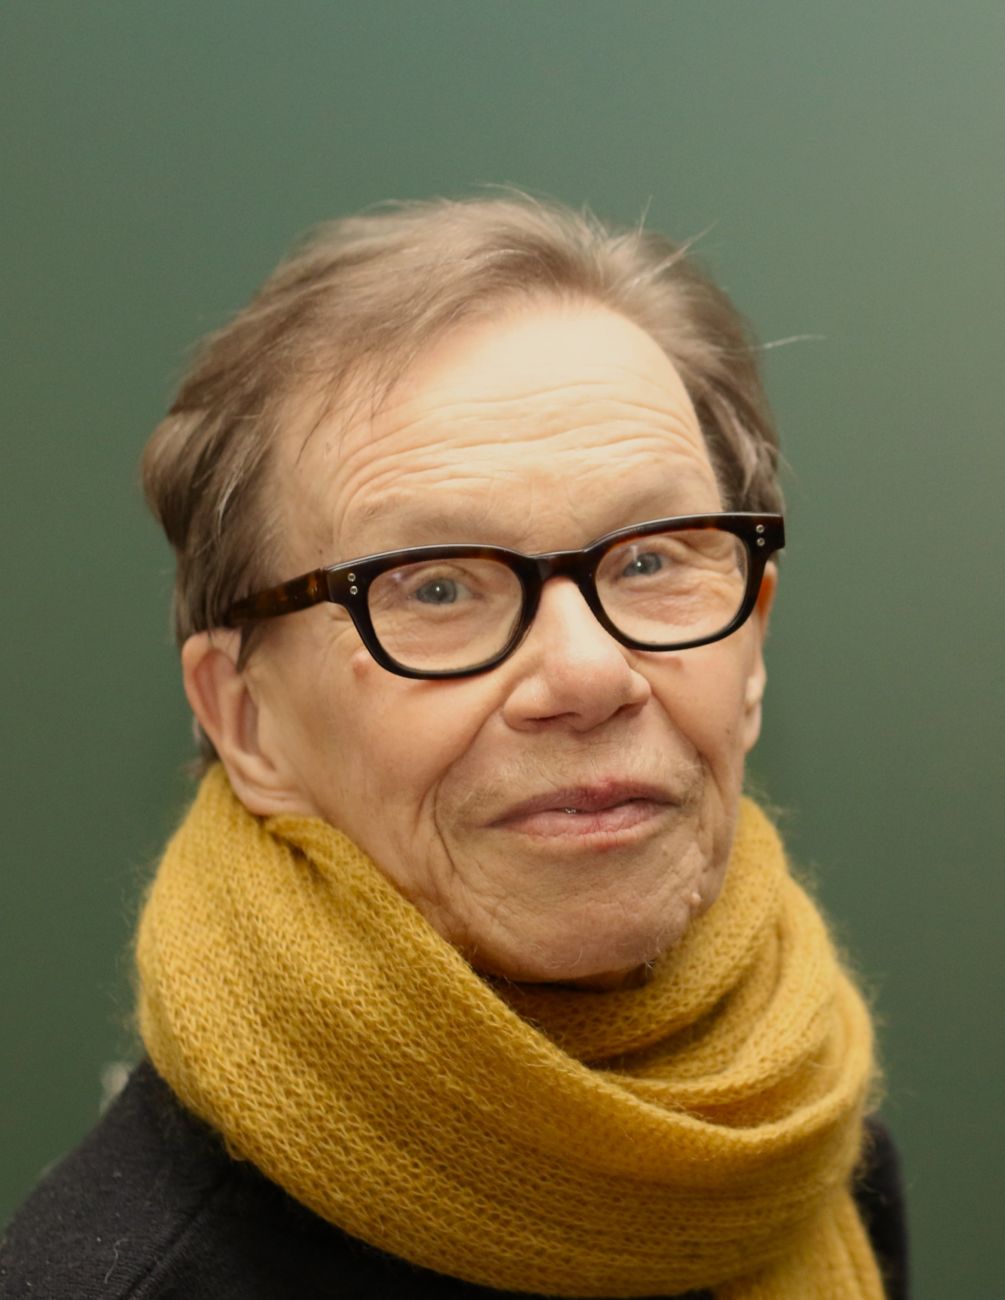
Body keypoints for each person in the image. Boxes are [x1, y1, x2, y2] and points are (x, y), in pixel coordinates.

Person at [0, 195, 906, 1299]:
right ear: (247, 721)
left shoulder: (801, 1135)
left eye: (651, 562)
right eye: (434, 587)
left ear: (752, 647)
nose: (589, 675)